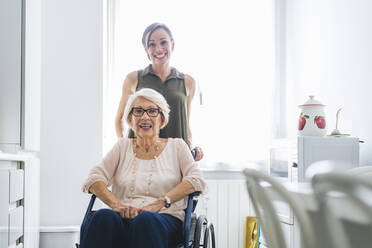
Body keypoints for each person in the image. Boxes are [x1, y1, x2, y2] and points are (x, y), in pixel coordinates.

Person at [81, 88, 207, 248]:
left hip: (163, 220)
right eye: (138, 111)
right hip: (122, 219)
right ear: (130, 119)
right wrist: (116, 205)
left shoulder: (178, 146)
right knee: (102, 216)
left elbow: (196, 180)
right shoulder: (122, 147)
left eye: (152, 111)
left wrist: (161, 202)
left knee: (145, 221)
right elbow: (94, 178)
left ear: (162, 118)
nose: (145, 117)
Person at [115, 22, 204, 161]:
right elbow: (119, 119)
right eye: (152, 44)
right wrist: (124, 148)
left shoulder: (188, 82)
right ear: (146, 48)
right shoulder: (133, 79)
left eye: (163, 42)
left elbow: (185, 124)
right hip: (140, 158)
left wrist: (192, 148)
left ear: (172, 45)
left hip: (175, 160)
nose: (159, 49)